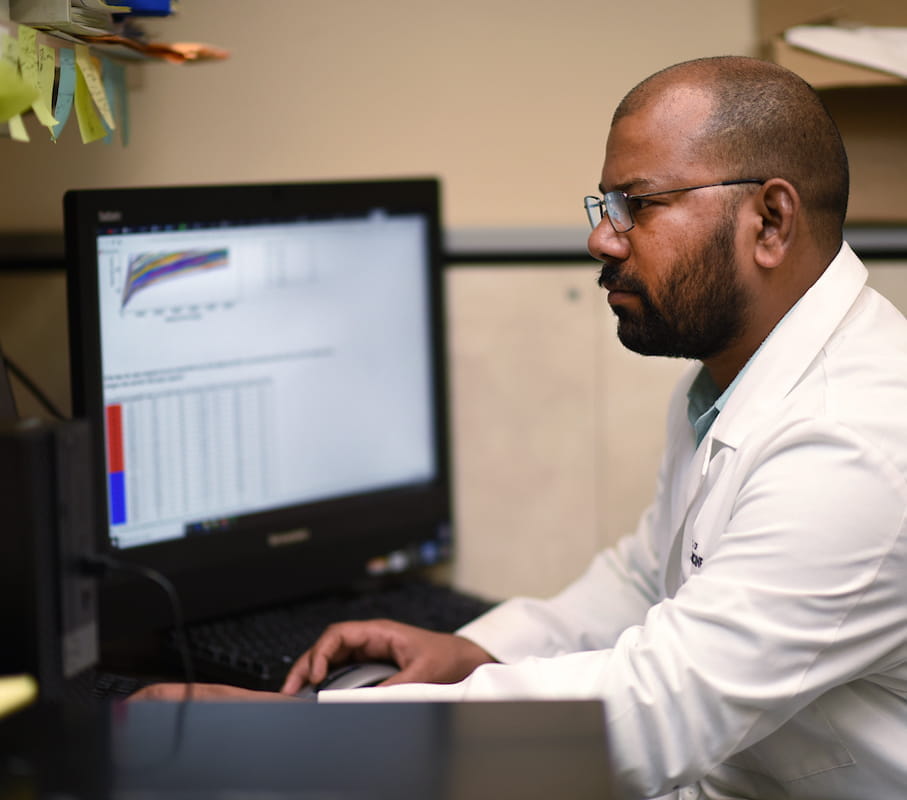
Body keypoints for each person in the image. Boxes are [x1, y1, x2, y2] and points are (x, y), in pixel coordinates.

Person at [135, 56, 907, 800]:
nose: (601, 240)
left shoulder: (854, 441)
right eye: (603, 207)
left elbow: (653, 711)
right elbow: (649, 576)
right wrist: (479, 648)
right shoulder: (731, 377)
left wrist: (302, 731)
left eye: (636, 205)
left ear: (769, 220)